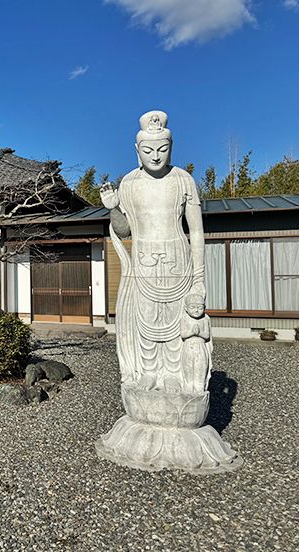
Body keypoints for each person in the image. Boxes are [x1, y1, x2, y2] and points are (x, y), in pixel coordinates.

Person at [100, 110, 206, 391]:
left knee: (175, 318)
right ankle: (147, 370)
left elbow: (196, 232)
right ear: (137, 151)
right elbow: (124, 230)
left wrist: (199, 279)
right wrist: (113, 208)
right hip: (143, 260)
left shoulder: (183, 180)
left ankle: (173, 373)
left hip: (178, 259)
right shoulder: (129, 183)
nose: (156, 157)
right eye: (148, 151)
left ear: (172, 148)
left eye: (162, 149)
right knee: (146, 319)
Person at [180, 293, 212, 394]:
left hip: (200, 346)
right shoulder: (185, 319)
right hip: (188, 346)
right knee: (188, 365)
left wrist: (199, 333)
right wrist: (192, 332)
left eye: (200, 308)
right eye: (192, 307)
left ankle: (199, 384)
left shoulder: (204, 319)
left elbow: (207, 335)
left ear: (204, 308)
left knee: (201, 365)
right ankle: (189, 384)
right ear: (186, 308)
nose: (196, 310)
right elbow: (183, 334)